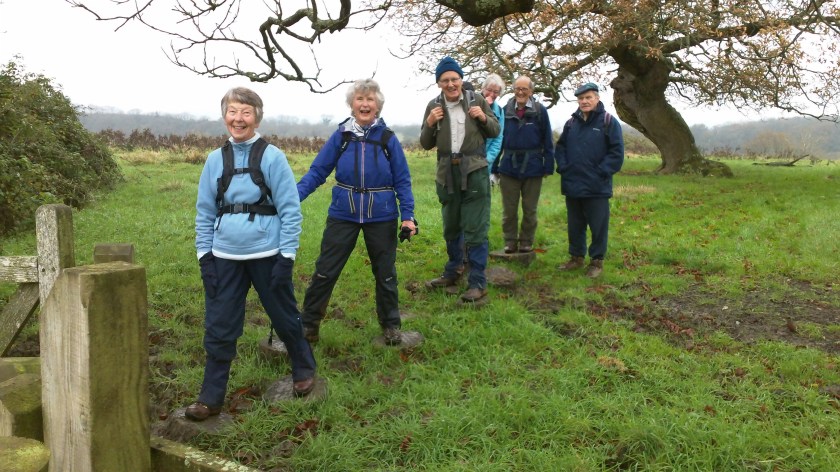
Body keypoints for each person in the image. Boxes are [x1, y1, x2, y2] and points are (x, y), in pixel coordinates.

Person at [190, 87, 316, 421]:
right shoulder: (215, 160)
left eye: (246, 112)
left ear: (257, 117)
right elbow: (204, 212)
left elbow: (290, 210)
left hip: (267, 253)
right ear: (224, 116)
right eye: (232, 111)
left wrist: (286, 257)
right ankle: (210, 396)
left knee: (284, 314)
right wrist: (205, 256)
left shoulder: (273, 157)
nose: (238, 119)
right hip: (224, 256)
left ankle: (303, 368)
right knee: (219, 325)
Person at [297, 79, 416, 345]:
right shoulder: (340, 137)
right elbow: (317, 171)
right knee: (325, 270)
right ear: (352, 104)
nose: (365, 104)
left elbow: (402, 180)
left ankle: (391, 326)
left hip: (382, 216)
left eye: (370, 99)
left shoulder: (388, 139)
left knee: (385, 274)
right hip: (343, 214)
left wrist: (408, 216)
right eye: (360, 99)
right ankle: (308, 326)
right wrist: (292, 197)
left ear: (378, 106)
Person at [420, 56, 500, 302]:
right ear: (439, 83)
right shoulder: (433, 105)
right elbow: (425, 143)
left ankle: (477, 281)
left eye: (454, 78)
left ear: (461, 79)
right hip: (447, 172)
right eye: (445, 80)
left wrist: (483, 118)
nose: (451, 84)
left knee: (475, 227)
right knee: (451, 224)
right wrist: (430, 123)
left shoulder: (476, 100)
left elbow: (495, 130)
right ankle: (453, 270)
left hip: (474, 169)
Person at [555, 82, 625, 278]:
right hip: (573, 184)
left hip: (597, 186)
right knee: (575, 224)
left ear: (597, 99)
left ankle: (596, 262)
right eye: (581, 98)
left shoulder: (608, 122)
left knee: (598, 226)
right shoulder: (571, 124)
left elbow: (616, 153)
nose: (584, 101)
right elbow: (560, 149)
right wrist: (564, 167)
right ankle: (576, 258)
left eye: (588, 98)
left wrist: (601, 171)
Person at [490, 75, 554, 254]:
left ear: (531, 91)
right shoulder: (504, 111)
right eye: (517, 88)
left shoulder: (540, 111)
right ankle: (510, 241)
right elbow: (498, 141)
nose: (520, 92)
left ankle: (526, 241)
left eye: (524, 89)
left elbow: (547, 140)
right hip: (509, 167)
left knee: (530, 209)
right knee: (509, 210)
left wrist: (548, 165)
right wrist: (494, 168)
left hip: (533, 166)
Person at [481, 74, 506, 179]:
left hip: (486, 162)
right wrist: (483, 107)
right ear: (483, 89)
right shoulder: (471, 103)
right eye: (489, 90)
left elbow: (498, 139)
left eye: (496, 92)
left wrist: (488, 159)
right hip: (468, 158)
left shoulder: (500, 111)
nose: (492, 94)